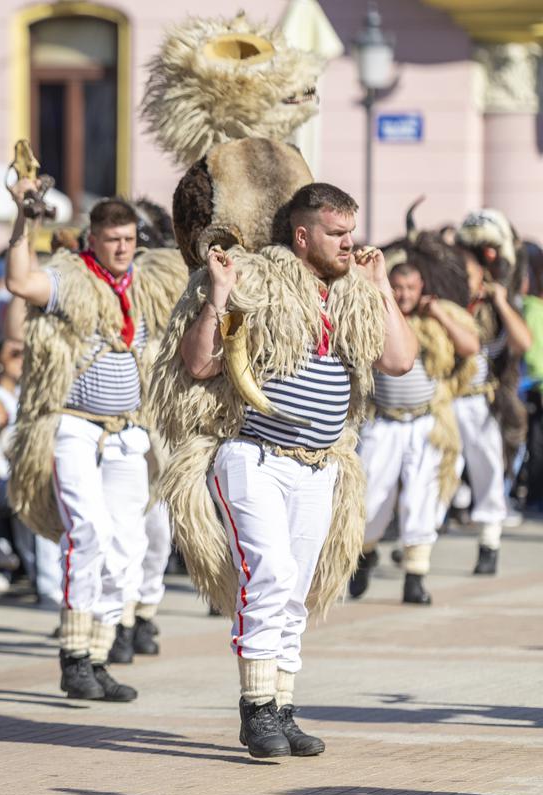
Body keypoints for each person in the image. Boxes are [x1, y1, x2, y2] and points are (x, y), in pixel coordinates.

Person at [160, 182, 415, 758]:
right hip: (255, 458)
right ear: (303, 236)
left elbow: (398, 360)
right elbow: (199, 363)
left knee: (297, 588)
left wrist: (381, 291)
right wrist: (219, 294)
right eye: (337, 233)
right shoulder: (257, 280)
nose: (350, 243)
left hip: (321, 466)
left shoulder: (353, 290)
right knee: (270, 572)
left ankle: (283, 706)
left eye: (352, 231)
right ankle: (255, 710)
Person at [6, 193, 168, 705]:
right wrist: (23, 221)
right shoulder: (71, 279)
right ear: (92, 240)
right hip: (73, 428)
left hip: (127, 433)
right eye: (112, 239)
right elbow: (19, 282)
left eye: (128, 239)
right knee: (89, 532)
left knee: (128, 545)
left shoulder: (146, 285)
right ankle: (73, 656)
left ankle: (99, 656)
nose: (122, 247)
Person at [353, 256, 480, 605]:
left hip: (427, 423)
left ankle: (415, 577)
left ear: (421, 287)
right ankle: (363, 556)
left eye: (410, 287)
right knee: (371, 498)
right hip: (383, 422)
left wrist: (437, 313)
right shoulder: (373, 317)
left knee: (423, 498)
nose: (404, 293)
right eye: (398, 286)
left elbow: (470, 347)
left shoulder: (436, 321)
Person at [452, 233, 533, 575]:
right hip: (445, 401)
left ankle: (489, 542)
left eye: (468, 274)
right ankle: (417, 542)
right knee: (435, 473)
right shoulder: (446, 305)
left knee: (487, 471)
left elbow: (523, 342)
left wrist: (500, 302)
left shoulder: (494, 308)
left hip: (481, 402)